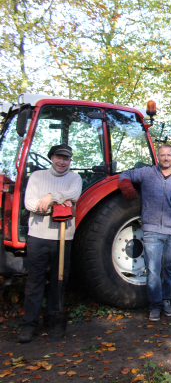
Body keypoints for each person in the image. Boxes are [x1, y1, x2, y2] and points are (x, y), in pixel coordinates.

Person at [118, 144, 171, 321]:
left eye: (169, 155)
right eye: (162, 155)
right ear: (157, 157)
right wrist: (125, 185)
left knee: (169, 270)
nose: (166, 158)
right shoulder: (146, 173)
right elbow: (126, 174)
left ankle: (167, 301)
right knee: (153, 270)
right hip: (152, 231)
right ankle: (155, 306)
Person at [18, 144, 82, 343]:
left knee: (58, 282)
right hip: (38, 237)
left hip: (63, 238)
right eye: (59, 157)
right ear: (52, 158)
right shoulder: (37, 177)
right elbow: (30, 205)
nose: (62, 162)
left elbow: (74, 195)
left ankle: (52, 321)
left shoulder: (74, 178)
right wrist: (60, 205)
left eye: (66, 159)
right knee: (34, 282)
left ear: (70, 161)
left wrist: (49, 198)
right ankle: (29, 326)